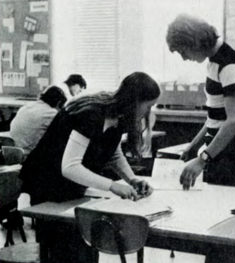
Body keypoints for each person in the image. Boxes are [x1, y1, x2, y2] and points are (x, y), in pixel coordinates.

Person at [19, 72, 160, 206]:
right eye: (148, 106)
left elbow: (113, 154)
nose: (148, 112)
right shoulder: (91, 115)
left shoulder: (120, 117)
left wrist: (132, 179)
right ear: (134, 101)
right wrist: (112, 186)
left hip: (70, 188)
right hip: (44, 185)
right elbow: (70, 167)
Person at [166, 14, 235, 190]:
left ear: (194, 42)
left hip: (234, 156)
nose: (184, 58)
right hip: (220, 152)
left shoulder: (228, 65)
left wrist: (203, 159)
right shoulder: (214, 62)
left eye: (183, 51)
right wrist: (194, 146)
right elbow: (216, 117)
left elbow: (233, 122)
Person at [10, 86, 67, 158]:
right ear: (59, 103)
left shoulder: (26, 107)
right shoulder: (51, 113)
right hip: (31, 156)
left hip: (13, 152)